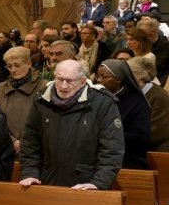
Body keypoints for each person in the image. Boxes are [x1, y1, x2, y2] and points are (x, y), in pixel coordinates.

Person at [19, 60, 125, 190]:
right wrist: (30, 173)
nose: (63, 86)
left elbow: (112, 149)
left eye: (70, 81)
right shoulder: (41, 99)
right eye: (60, 79)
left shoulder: (102, 103)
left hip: (86, 184)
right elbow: (30, 142)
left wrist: (98, 183)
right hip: (46, 181)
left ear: (82, 82)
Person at [96, 59, 151, 170]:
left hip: (127, 158)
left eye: (104, 77)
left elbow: (140, 136)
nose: (99, 81)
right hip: (97, 156)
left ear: (118, 79)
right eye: (98, 76)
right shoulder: (97, 98)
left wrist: (106, 139)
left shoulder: (136, 103)